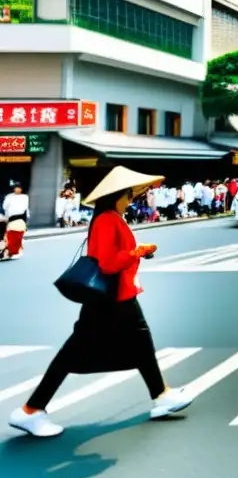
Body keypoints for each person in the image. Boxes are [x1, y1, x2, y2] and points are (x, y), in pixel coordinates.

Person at [8, 167, 193, 438]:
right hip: (112, 298)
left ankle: (161, 395)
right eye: (128, 196)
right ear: (116, 195)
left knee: (140, 344)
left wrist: (137, 253)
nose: (131, 200)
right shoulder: (108, 219)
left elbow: (115, 255)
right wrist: (138, 251)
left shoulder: (109, 217)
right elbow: (107, 263)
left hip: (117, 296)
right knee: (75, 353)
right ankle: (30, 410)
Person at [1, 182, 30, 260]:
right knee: (10, 236)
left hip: (20, 218)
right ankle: (9, 251)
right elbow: (5, 207)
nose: (17, 189)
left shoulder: (24, 197)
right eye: (16, 187)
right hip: (10, 218)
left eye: (19, 187)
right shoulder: (9, 197)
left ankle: (13, 252)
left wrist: (27, 220)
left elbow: (25, 208)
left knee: (17, 235)